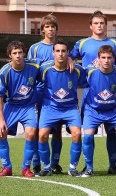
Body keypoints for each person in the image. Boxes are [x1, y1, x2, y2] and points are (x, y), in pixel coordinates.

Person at [69, 11, 116, 174]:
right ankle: (88, 165)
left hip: (111, 95)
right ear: (91, 26)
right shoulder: (82, 43)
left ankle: (113, 165)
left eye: (102, 23)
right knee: (89, 133)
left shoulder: (115, 43)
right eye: (96, 23)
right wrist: (70, 59)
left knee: (112, 132)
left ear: (106, 25)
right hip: (90, 95)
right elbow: (68, 57)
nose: (99, 26)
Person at [28, 14, 74, 175]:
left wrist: (70, 59)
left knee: (57, 130)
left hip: (57, 94)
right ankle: (36, 162)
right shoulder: (35, 48)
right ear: (42, 30)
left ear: (56, 29)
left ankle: (55, 162)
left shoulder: (61, 47)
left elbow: (70, 60)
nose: (50, 29)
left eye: (53, 27)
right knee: (38, 131)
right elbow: (30, 69)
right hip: (40, 93)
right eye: (47, 27)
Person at [81, 45, 116, 177]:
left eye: (109, 58)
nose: (106, 61)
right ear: (98, 59)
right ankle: (88, 168)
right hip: (93, 110)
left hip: (112, 110)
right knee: (87, 137)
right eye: (103, 58)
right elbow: (75, 75)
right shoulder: (89, 70)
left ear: (113, 59)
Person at [37, 39, 86, 177]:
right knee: (42, 135)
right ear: (53, 52)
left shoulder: (77, 69)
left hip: (70, 108)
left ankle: (72, 168)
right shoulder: (44, 69)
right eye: (57, 51)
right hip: (50, 108)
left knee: (77, 134)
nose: (60, 54)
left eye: (63, 51)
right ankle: (46, 167)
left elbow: (89, 82)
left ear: (68, 53)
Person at [0, 41, 40, 177]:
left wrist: (68, 59)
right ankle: (6, 167)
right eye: (15, 53)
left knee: (31, 133)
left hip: (29, 106)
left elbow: (52, 62)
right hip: (12, 106)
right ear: (10, 56)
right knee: (1, 133)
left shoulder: (35, 65)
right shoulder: (5, 71)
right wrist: (1, 121)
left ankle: (26, 168)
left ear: (24, 53)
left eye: (20, 52)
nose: (18, 55)